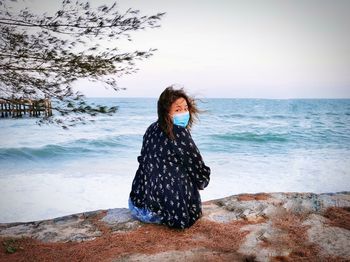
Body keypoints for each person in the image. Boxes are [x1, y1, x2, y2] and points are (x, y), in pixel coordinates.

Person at [128, 86, 211, 229]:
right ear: (166, 112)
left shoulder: (151, 129)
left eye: (186, 108)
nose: (184, 113)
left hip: (140, 206)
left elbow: (143, 161)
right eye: (178, 110)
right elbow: (197, 167)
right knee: (185, 171)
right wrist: (202, 182)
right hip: (171, 213)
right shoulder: (178, 132)